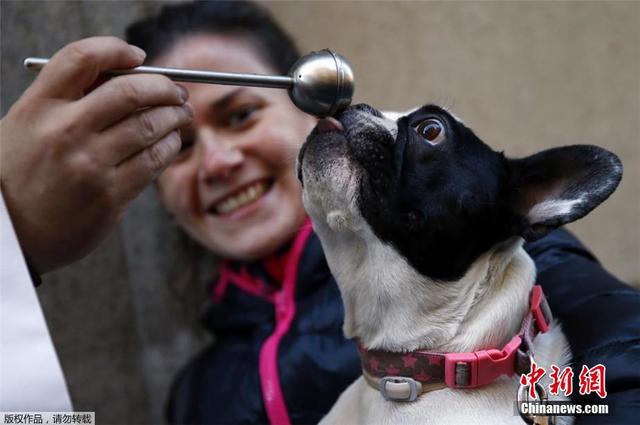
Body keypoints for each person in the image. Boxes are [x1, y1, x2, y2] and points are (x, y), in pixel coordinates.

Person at [1, 1, 637, 423]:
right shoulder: (196, 395)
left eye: (240, 114)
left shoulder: (503, 271)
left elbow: (614, 370)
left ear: (309, 102)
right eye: (181, 145)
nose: (218, 161)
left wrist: (538, 390)